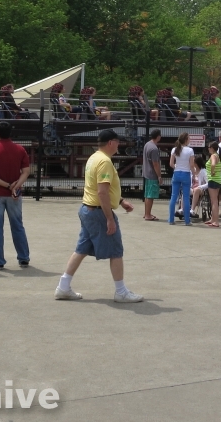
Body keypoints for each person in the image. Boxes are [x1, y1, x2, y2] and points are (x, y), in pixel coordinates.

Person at [55, 130, 143, 303]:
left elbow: (105, 189)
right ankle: (121, 292)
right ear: (111, 142)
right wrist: (110, 218)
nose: (119, 145)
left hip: (88, 210)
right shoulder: (105, 162)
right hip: (98, 212)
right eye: (118, 142)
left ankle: (63, 287)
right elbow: (102, 192)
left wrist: (121, 200)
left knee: (81, 250)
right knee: (116, 251)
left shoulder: (94, 157)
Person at [0, 121, 31, 270]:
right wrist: (16, 186)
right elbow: (26, 171)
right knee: (17, 226)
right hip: (14, 194)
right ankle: (23, 258)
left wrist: (7, 185)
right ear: (11, 133)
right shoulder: (20, 150)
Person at [168, 133, 194, 225]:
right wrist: (194, 175)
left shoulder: (174, 149)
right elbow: (191, 165)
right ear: (186, 139)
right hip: (186, 174)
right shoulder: (190, 150)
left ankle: (171, 220)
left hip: (176, 173)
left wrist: (176, 167)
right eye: (189, 138)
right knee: (186, 197)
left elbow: (171, 164)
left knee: (173, 196)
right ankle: (187, 221)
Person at [142, 129, 163, 221]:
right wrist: (159, 175)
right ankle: (148, 215)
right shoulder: (154, 148)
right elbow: (155, 164)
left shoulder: (147, 144)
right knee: (150, 195)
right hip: (152, 174)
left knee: (147, 194)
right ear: (158, 136)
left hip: (146, 173)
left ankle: (147, 213)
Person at [203, 141, 221, 227]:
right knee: (215, 200)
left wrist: (212, 172)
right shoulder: (219, 156)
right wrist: (219, 171)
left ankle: (216, 221)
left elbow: (213, 164)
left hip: (213, 179)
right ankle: (213, 219)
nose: (208, 149)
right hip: (218, 179)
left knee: (214, 201)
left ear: (212, 148)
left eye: (209, 147)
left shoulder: (213, 156)